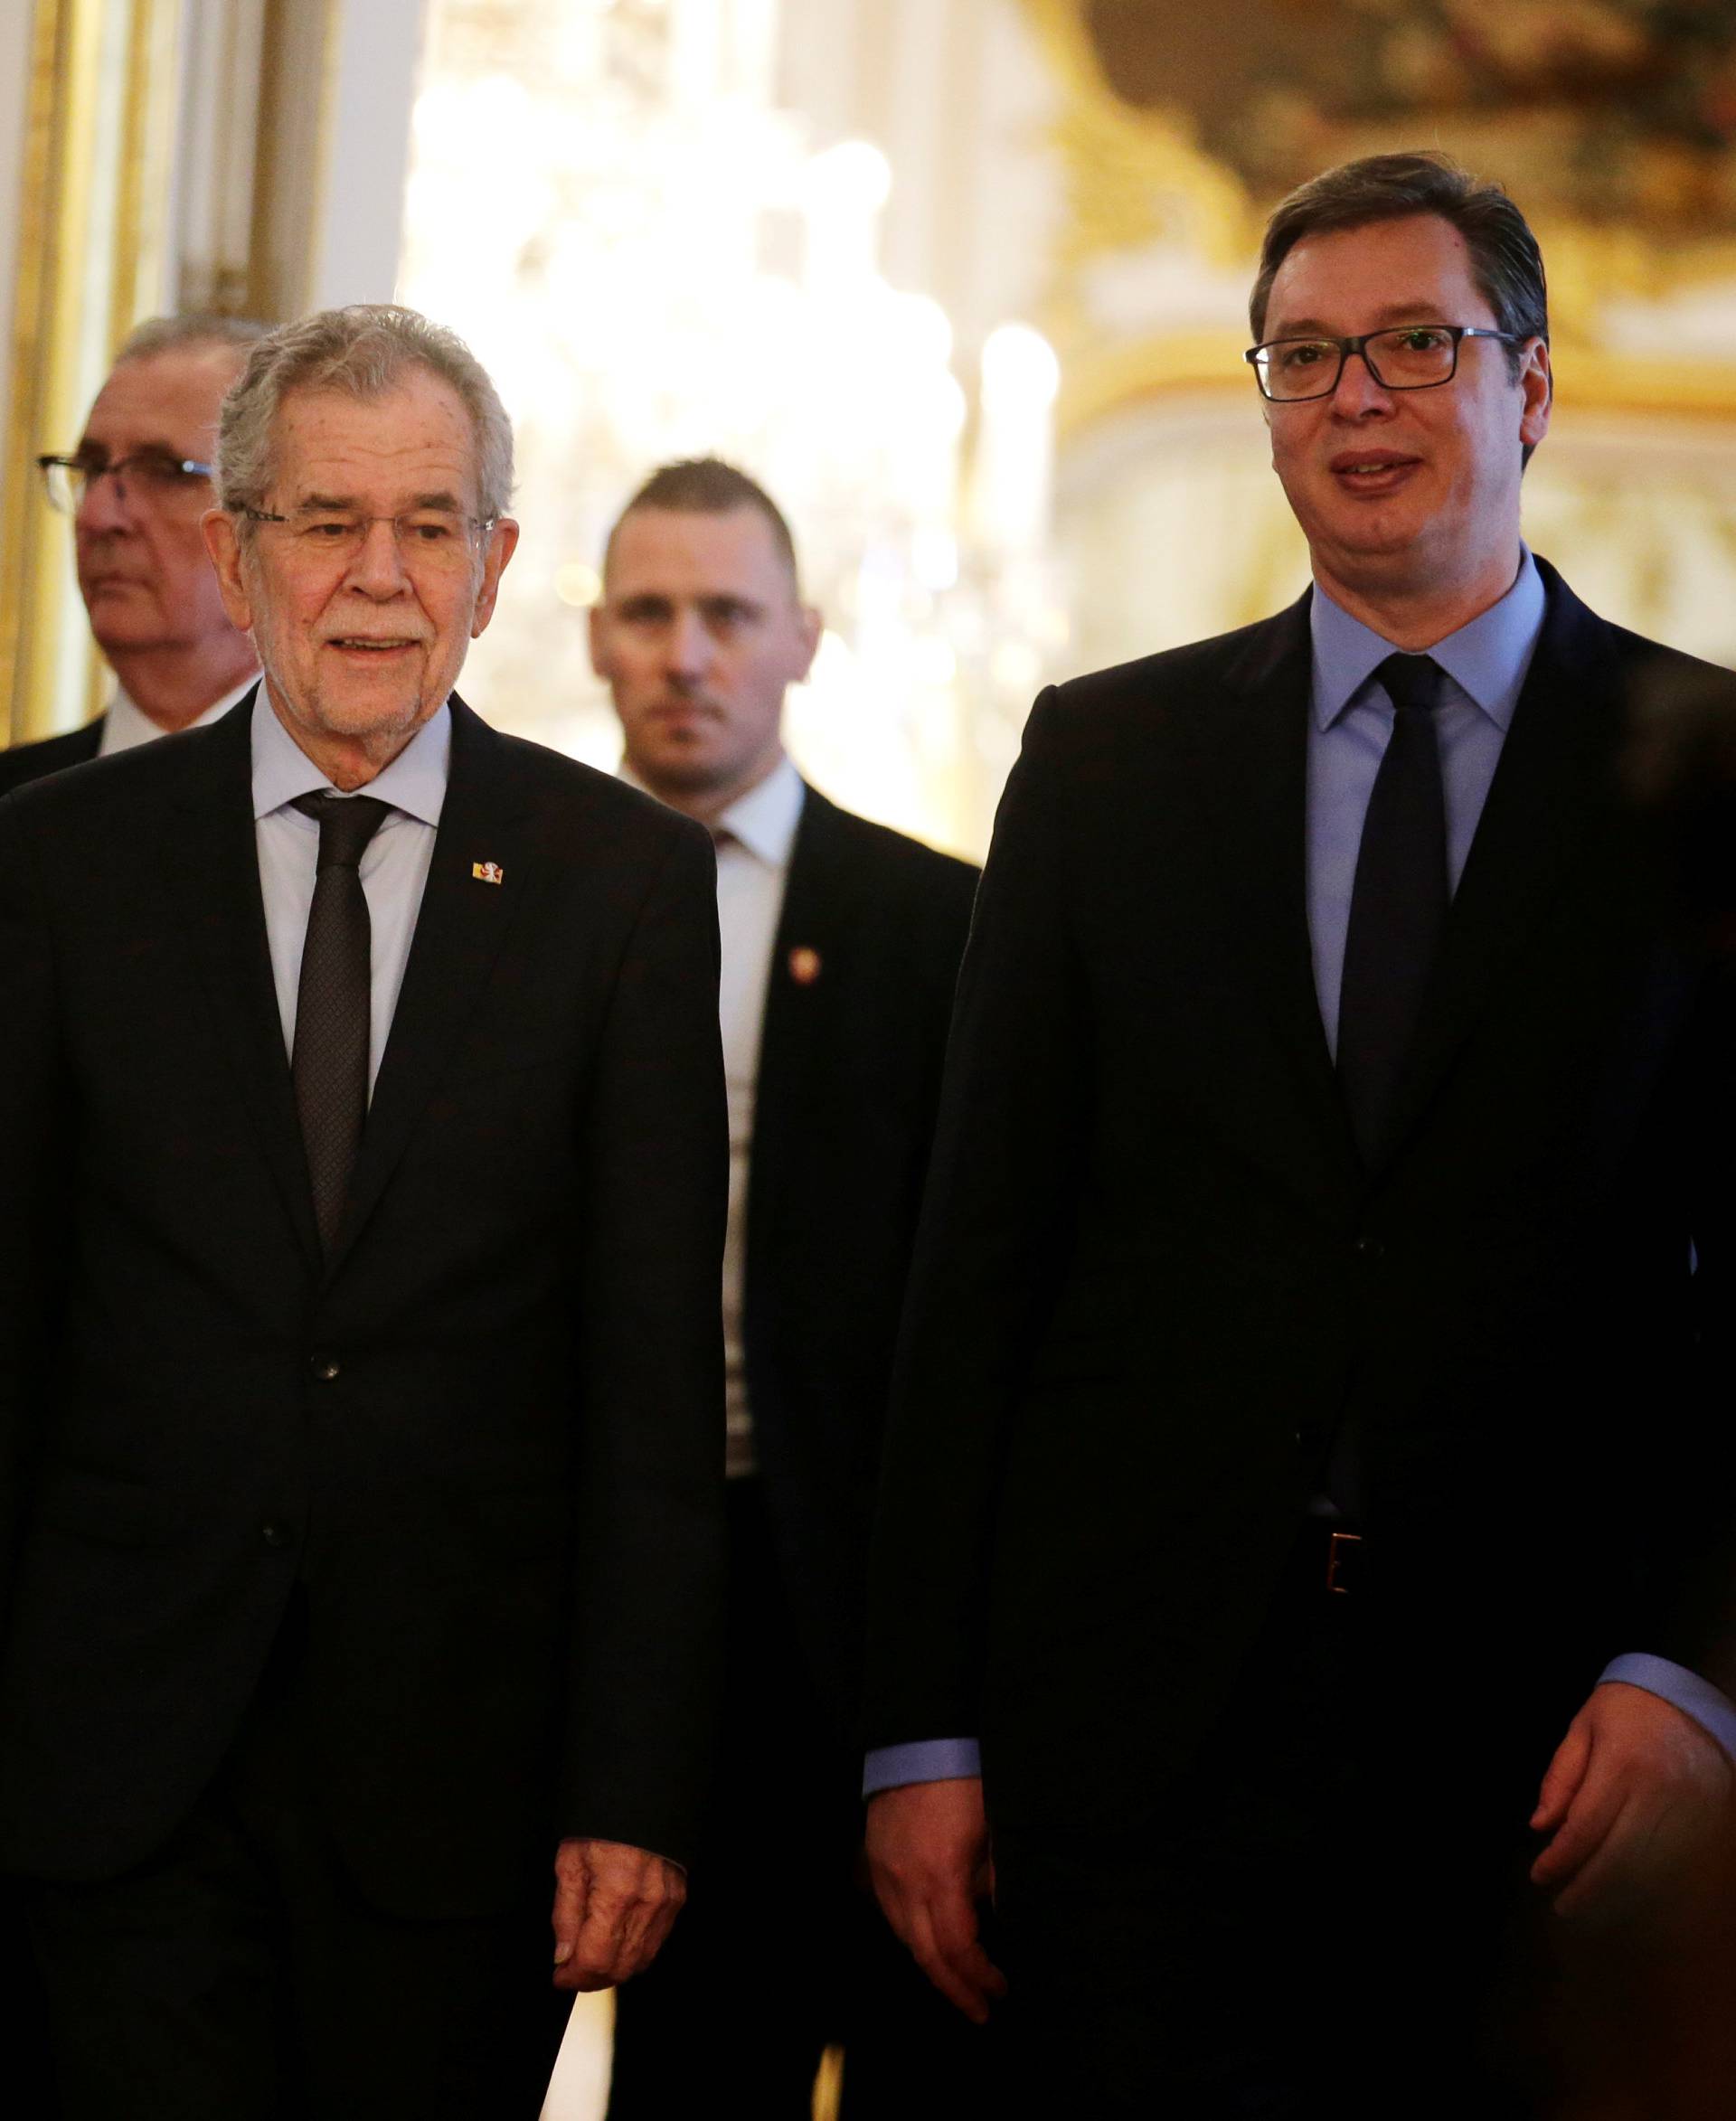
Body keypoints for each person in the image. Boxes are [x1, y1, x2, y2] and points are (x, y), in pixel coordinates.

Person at [860, 153, 1736, 2117]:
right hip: (1136, 1753)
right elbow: (978, 1260)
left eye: (1416, 346)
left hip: (1551, 1758)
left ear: (1527, 389)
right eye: (1305, 358)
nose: (1358, 400)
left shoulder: (1706, 771)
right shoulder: (1104, 763)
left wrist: (1697, 1674)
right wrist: (918, 1737)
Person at [0, 306, 727, 2120]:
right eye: (326, 522)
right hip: (110, 1774)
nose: (377, 579)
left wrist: (630, 1789)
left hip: (459, 1803)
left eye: (428, 526)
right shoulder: (61, 864)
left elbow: (648, 1393)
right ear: (238, 556)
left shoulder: (620, 884)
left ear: (492, 568)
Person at [590, 459, 981, 2117]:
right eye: (651, 613)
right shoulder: (509, 895)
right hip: (589, 1602)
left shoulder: (932, 925)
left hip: (850, 1617)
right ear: (593, 637)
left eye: (728, 614)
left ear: (802, 639)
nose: (690, 653)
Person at [1, 314, 265, 794]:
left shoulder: (353, 818)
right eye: (92, 468)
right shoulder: (17, 807)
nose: (98, 517)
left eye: (163, 471)